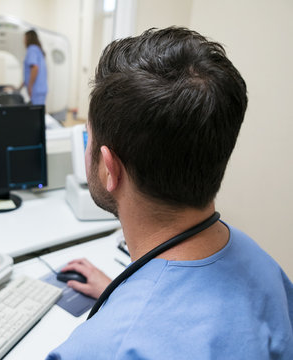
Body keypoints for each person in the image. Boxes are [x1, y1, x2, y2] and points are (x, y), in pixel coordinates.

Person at [47, 27, 293, 359]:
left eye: (89, 136)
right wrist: (123, 294)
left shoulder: (103, 349)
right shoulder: (265, 267)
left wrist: (133, 314)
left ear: (108, 167)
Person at [21, 29, 47, 105]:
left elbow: (35, 68)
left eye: (24, 38)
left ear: (28, 38)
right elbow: (29, 73)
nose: (23, 41)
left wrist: (30, 86)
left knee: (36, 113)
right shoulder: (38, 50)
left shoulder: (31, 49)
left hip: (36, 89)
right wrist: (20, 87)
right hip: (41, 88)